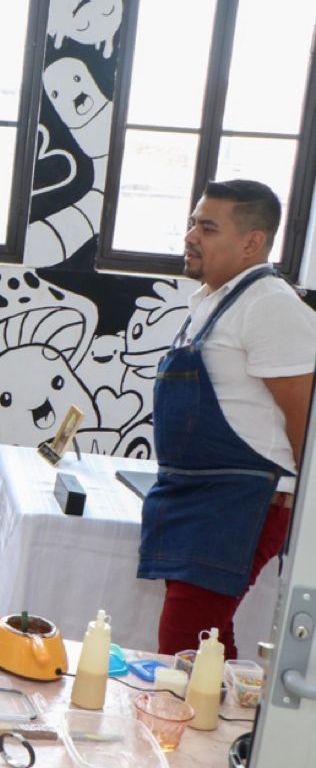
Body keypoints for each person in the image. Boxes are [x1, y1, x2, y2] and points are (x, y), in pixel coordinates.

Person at [140, 180, 316, 659]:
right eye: (192, 223)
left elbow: (306, 423)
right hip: (197, 494)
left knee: (183, 643)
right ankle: (227, 709)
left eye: (208, 227)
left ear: (252, 242)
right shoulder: (214, 301)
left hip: (243, 500)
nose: (190, 236)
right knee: (207, 639)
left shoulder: (270, 306)